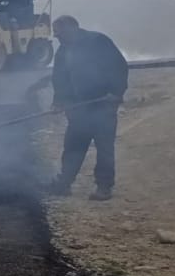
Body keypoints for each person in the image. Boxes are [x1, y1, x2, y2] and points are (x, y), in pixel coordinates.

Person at [46, 15, 129, 200]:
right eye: (55, 33)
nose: (56, 36)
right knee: (73, 145)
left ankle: (104, 187)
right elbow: (59, 79)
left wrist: (116, 93)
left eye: (59, 32)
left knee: (104, 148)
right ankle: (64, 183)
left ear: (72, 28)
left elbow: (119, 67)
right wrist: (58, 101)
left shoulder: (98, 41)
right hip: (78, 109)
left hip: (103, 105)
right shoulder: (63, 50)